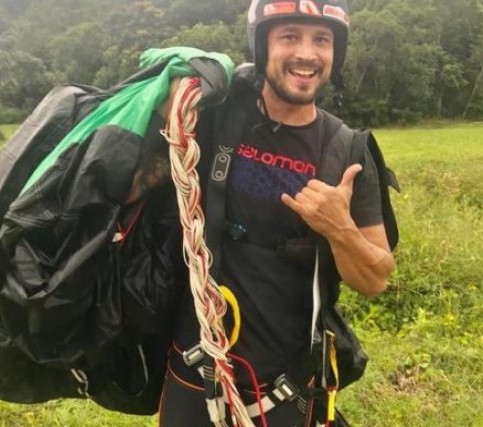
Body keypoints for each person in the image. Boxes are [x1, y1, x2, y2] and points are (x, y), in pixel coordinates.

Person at [158, 0, 395, 425]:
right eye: (289, 36)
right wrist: (173, 91)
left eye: (321, 40)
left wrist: (339, 228)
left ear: (335, 54)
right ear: (261, 45)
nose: (306, 53)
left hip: (285, 390)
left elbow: (376, 277)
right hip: (195, 373)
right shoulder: (214, 118)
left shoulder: (348, 151)